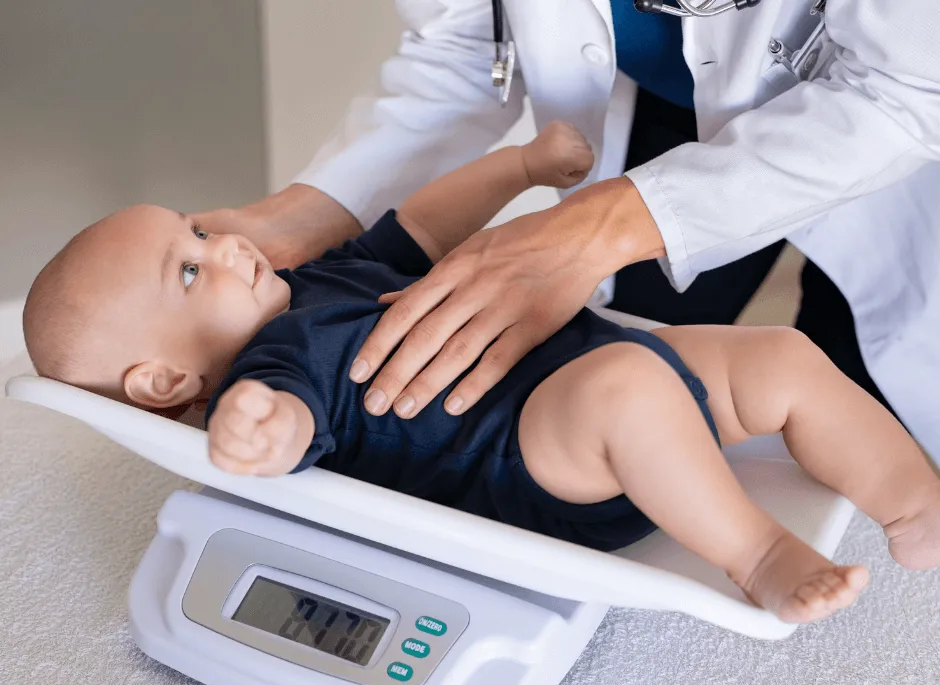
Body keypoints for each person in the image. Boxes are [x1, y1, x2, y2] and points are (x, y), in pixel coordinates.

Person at [20, 123, 940, 627]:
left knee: (780, 355)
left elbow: (418, 228)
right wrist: (255, 430)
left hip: (587, 372)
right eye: (189, 271)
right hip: (536, 462)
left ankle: (914, 502)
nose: (222, 243)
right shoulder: (273, 365)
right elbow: (294, 429)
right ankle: (760, 556)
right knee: (628, 386)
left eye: (194, 228)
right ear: (160, 384)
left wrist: (518, 167)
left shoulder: (316, 283)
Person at [196, 0, 940, 461]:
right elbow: (466, 41)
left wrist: (590, 221)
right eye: (189, 257)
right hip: (665, 101)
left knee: (861, 402)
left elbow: (907, 91)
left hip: (897, 136)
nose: (215, 248)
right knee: (653, 377)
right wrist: (316, 207)